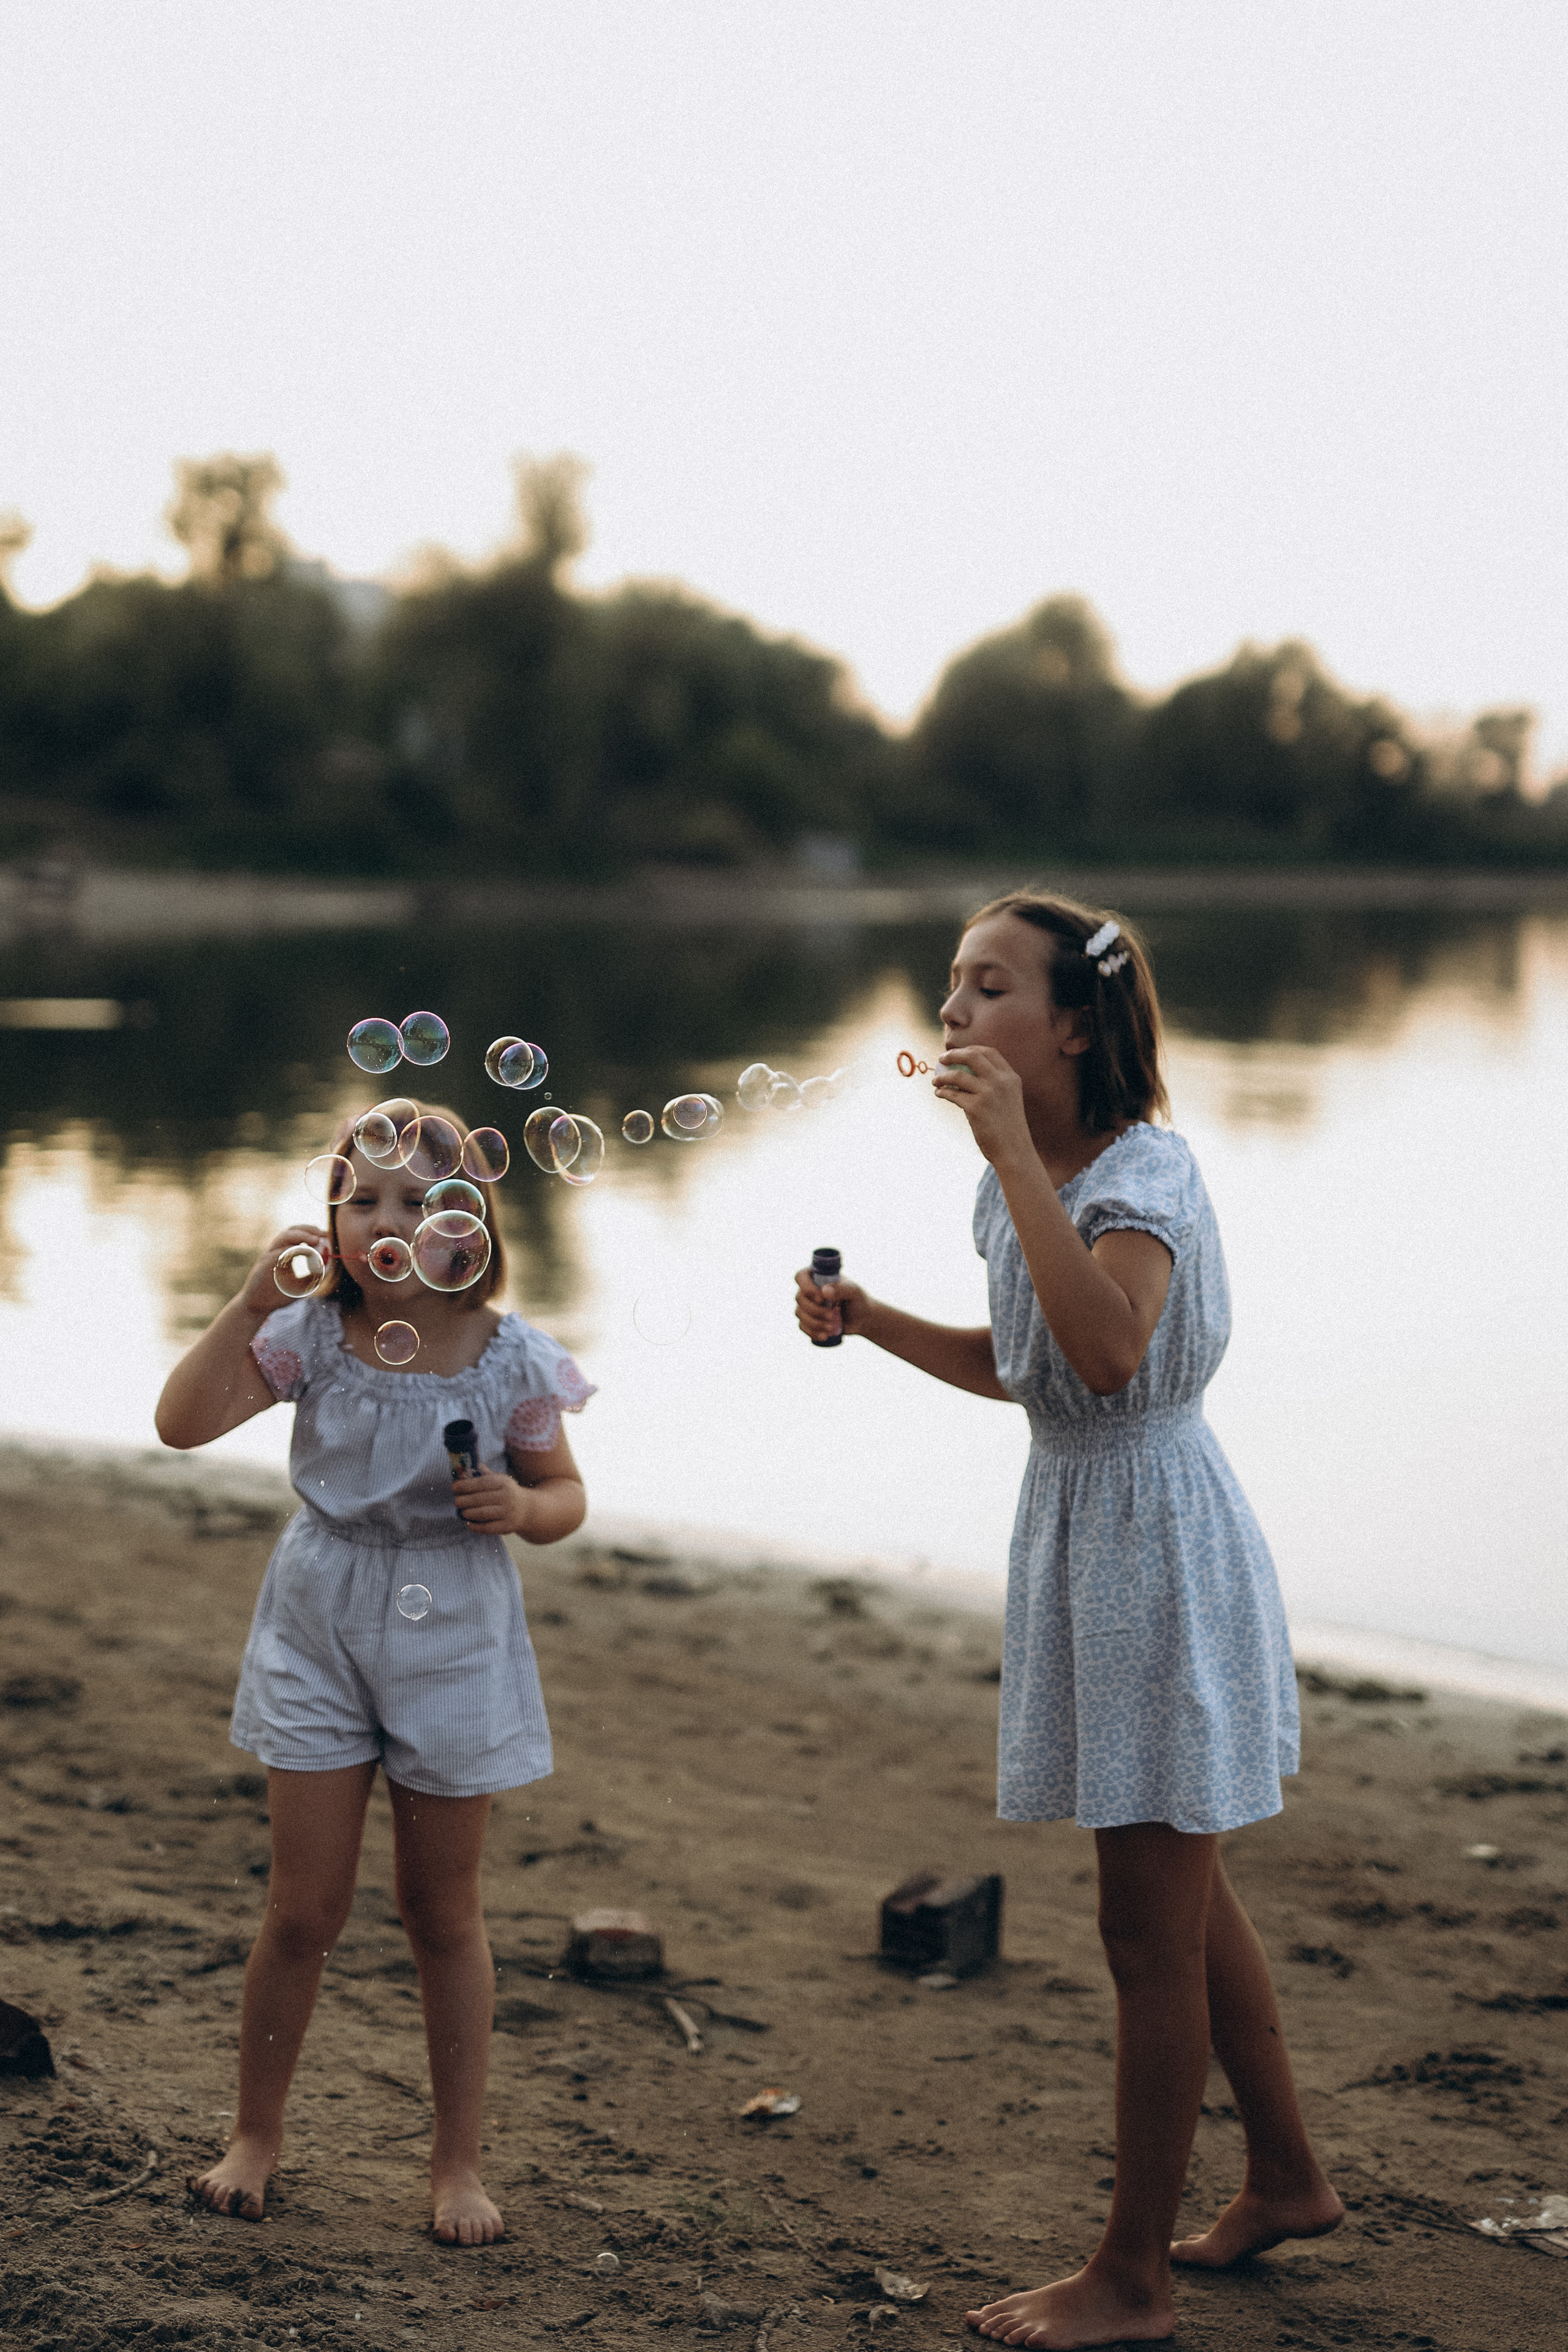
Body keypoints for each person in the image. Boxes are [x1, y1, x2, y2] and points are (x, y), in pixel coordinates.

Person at [795, 895, 1342, 2350]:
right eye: (947, 988)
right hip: (1083, 1535)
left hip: (1156, 1549)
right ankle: (1285, 2178)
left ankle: (1130, 2280)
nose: (953, 1014)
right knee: (1184, 1889)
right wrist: (872, 1322)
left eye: (987, 988)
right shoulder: (1025, 1174)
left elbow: (1109, 1357)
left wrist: (1003, 1157)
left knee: (1143, 1929)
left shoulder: (1140, 1174)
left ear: (1076, 1025)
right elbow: (1029, 1364)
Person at [156, 1104, 592, 2247]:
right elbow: (181, 1424)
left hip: (453, 1628)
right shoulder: (306, 1335)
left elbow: (565, 1498)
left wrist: (522, 1506)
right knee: (301, 1911)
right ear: (333, 1222)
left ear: (472, 1225)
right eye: (365, 1200)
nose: (389, 1224)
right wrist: (250, 1303)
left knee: (441, 1913)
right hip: (319, 1619)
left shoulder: (514, 1362)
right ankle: (256, 2133)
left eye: (421, 1201)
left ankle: (456, 2165)